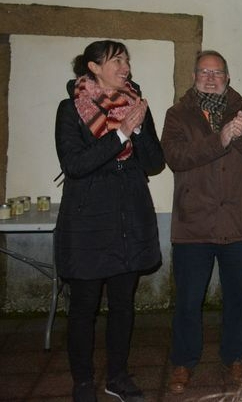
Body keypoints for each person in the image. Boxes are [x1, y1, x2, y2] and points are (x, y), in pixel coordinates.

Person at [55, 40, 164, 402]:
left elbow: (153, 163)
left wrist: (138, 129)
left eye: (126, 60)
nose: (125, 67)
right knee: (84, 307)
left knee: (123, 304)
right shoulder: (69, 110)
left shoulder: (136, 106)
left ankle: (117, 377)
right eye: (116, 60)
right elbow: (75, 164)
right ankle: (83, 381)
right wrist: (119, 134)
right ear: (93, 67)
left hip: (128, 216)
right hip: (88, 220)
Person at [161, 50, 242, 392]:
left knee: (237, 297)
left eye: (218, 72)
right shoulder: (178, 114)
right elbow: (176, 158)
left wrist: (241, 135)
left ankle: (235, 357)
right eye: (204, 72)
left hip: (237, 220)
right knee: (189, 299)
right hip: (193, 223)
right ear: (194, 76)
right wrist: (220, 139)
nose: (211, 77)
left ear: (228, 77)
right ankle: (182, 362)